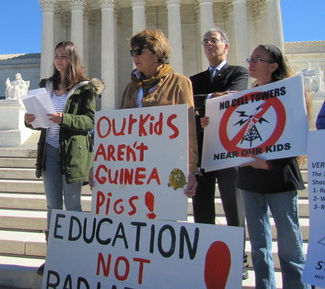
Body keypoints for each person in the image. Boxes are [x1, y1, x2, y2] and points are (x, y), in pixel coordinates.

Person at [201, 44, 309, 289]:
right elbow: (233, 131)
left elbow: (293, 133)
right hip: (249, 178)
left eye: (257, 59)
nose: (250, 62)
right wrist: (211, 122)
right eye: (250, 58)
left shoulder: (289, 94)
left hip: (279, 176)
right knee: (259, 246)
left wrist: (269, 162)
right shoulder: (245, 97)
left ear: (273, 65)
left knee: (290, 244)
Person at [24, 41, 103, 275]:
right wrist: (29, 121)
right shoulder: (45, 86)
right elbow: (41, 123)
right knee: (52, 206)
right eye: (56, 56)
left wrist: (64, 118)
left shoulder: (85, 88)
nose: (59, 60)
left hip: (73, 154)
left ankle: (76, 257)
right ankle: (54, 257)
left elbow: (90, 121)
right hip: (49, 150)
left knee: (73, 205)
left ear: (73, 59)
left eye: (64, 56)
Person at [190, 28, 249, 279]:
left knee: (233, 206)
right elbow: (190, 102)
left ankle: (239, 260)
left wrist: (206, 104)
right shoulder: (195, 78)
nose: (209, 45)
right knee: (202, 208)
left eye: (213, 41)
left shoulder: (239, 72)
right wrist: (215, 97)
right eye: (205, 42)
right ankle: (206, 256)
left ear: (226, 45)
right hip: (203, 149)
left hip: (228, 150)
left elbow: (235, 100)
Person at [119, 29, 198, 196]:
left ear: (156, 54)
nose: (135, 56)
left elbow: (189, 129)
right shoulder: (131, 87)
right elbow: (119, 131)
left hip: (166, 164)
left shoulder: (179, 83)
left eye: (139, 51)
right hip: (135, 166)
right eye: (132, 51)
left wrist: (190, 169)